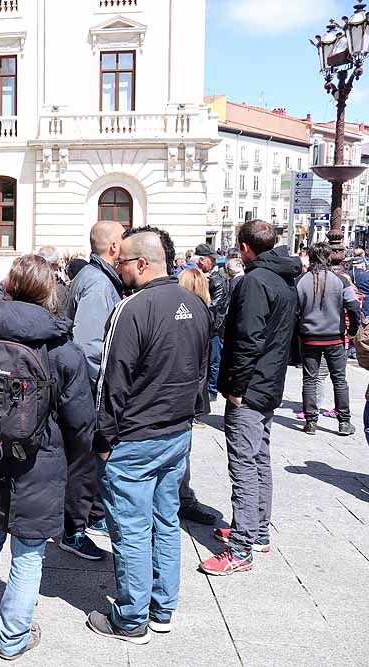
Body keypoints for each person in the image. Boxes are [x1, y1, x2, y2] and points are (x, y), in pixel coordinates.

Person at [0, 254, 95, 660]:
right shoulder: (63, 350)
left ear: (9, 287)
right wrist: (76, 469)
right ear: (51, 292)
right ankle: (13, 638)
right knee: (28, 554)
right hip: (39, 464)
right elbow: (81, 422)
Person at [87, 228, 210, 644]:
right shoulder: (194, 303)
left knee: (133, 528)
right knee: (165, 520)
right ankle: (162, 607)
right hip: (175, 432)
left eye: (121, 262)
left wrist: (103, 441)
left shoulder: (132, 308)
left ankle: (131, 618)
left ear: (141, 263)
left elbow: (111, 382)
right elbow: (199, 373)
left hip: (135, 437)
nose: (118, 269)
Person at [201, 220, 301, 576]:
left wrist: (236, 388)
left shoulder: (255, 282)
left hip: (252, 385)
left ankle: (241, 547)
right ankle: (257, 530)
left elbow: (247, 339)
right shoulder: (284, 278)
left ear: (244, 248)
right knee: (259, 457)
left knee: (243, 463)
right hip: (270, 383)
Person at [57, 221, 126, 561]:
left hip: (83, 387)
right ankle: (74, 530)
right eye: (123, 239)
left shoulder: (95, 277)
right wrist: (103, 389)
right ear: (113, 247)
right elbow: (90, 348)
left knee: (84, 462)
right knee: (83, 464)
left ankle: (87, 519)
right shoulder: (99, 284)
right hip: (87, 389)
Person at [295, 242, 361, 436]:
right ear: (329, 257)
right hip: (335, 338)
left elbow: (293, 310)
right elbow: (354, 307)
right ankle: (344, 422)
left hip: (309, 338)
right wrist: (352, 330)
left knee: (310, 379)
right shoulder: (340, 280)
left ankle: (311, 422)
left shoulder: (301, 280)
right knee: (339, 380)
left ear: (311, 258)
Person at [194, 244, 230, 401]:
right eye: (211, 259)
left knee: (213, 360)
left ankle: (212, 390)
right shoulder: (201, 276)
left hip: (214, 328)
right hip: (208, 326)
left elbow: (214, 306)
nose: (214, 262)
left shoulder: (216, 281)